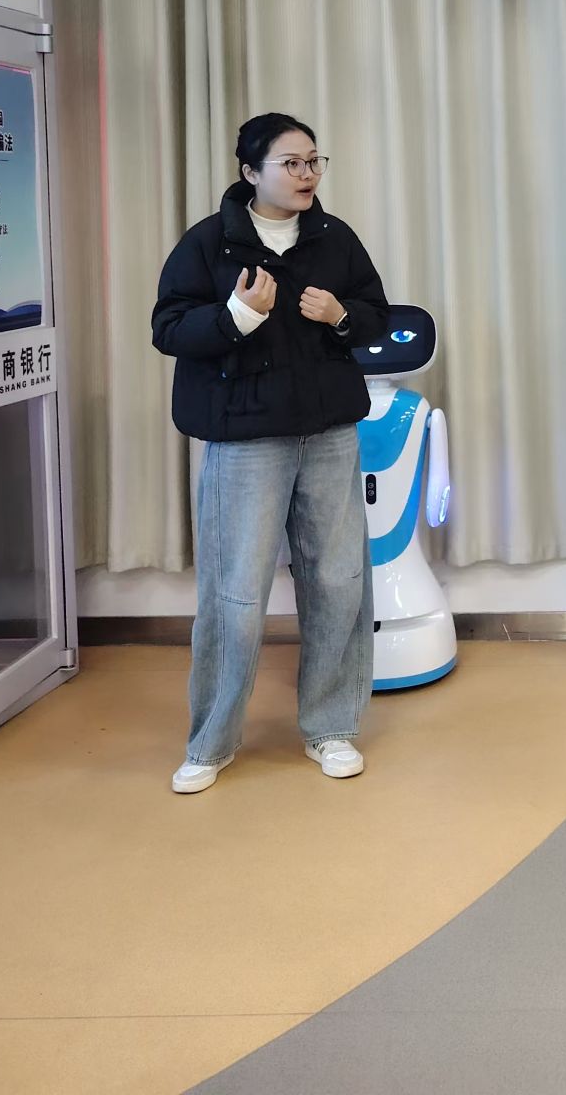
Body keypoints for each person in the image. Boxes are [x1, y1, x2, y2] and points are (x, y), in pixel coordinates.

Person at [152, 113, 390, 793]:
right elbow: (169, 327)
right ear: (251, 172)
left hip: (328, 434)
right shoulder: (209, 243)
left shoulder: (334, 237)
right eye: (291, 163)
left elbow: (376, 315)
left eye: (314, 161)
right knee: (235, 593)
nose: (307, 174)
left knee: (338, 580)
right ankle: (211, 742)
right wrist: (237, 316)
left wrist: (341, 317)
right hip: (246, 439)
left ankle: (332, 727)